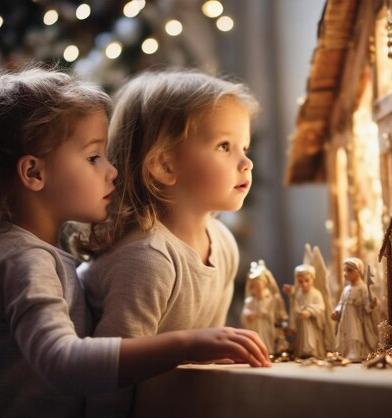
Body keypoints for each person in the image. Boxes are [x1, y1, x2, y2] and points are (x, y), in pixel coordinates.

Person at [0, 66, 269, 418]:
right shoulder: (23, 261)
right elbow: (63, 361)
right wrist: (187, 344)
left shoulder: (35, 254)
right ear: (34, 173)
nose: (113, 170)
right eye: (93, 158)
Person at [72, 69, 259, 416]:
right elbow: (111, 376)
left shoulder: (223, 243)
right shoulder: (148, 260)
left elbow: (203, 360)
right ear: (164, 164)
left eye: (244, 147)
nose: (246, 163)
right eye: (224, 146)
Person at [331, 258, 378, 362]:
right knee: (345, 332)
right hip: (345, 317)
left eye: (349, 270)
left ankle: (355, 351)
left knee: (354, 333)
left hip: (356, 318)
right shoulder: (346, 289)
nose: (345, 273)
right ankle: (345, 350)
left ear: (358, 271)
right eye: (344, 270)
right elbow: (341, 303)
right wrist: (337, 311)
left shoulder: (363, 288)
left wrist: (371, 305)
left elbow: (367, 306)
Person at [241, 260, 288, 354]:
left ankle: (269, 350)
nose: (257, 288)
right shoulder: (250, 300)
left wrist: (260, 313)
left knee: (266, 341)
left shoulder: (271, 299)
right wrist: (248, 315)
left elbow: (274, 315)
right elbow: (245, 313)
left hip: (267, 327)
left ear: (264, 284)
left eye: (259, 285)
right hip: (255, 326)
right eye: (254, 285)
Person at [283, 264, 327, 359]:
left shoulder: (316, 293)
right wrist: (298, 311)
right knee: (302, 339)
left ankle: (313, 352)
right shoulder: (298, 294)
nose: (304, 284)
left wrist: (310, 311)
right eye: (300, 281)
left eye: (307, 280)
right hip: (301, 324)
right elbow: (295, 306)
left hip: (312, 324)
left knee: (312, 339)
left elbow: (321, 307)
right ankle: (302, 352)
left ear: (313, 279)